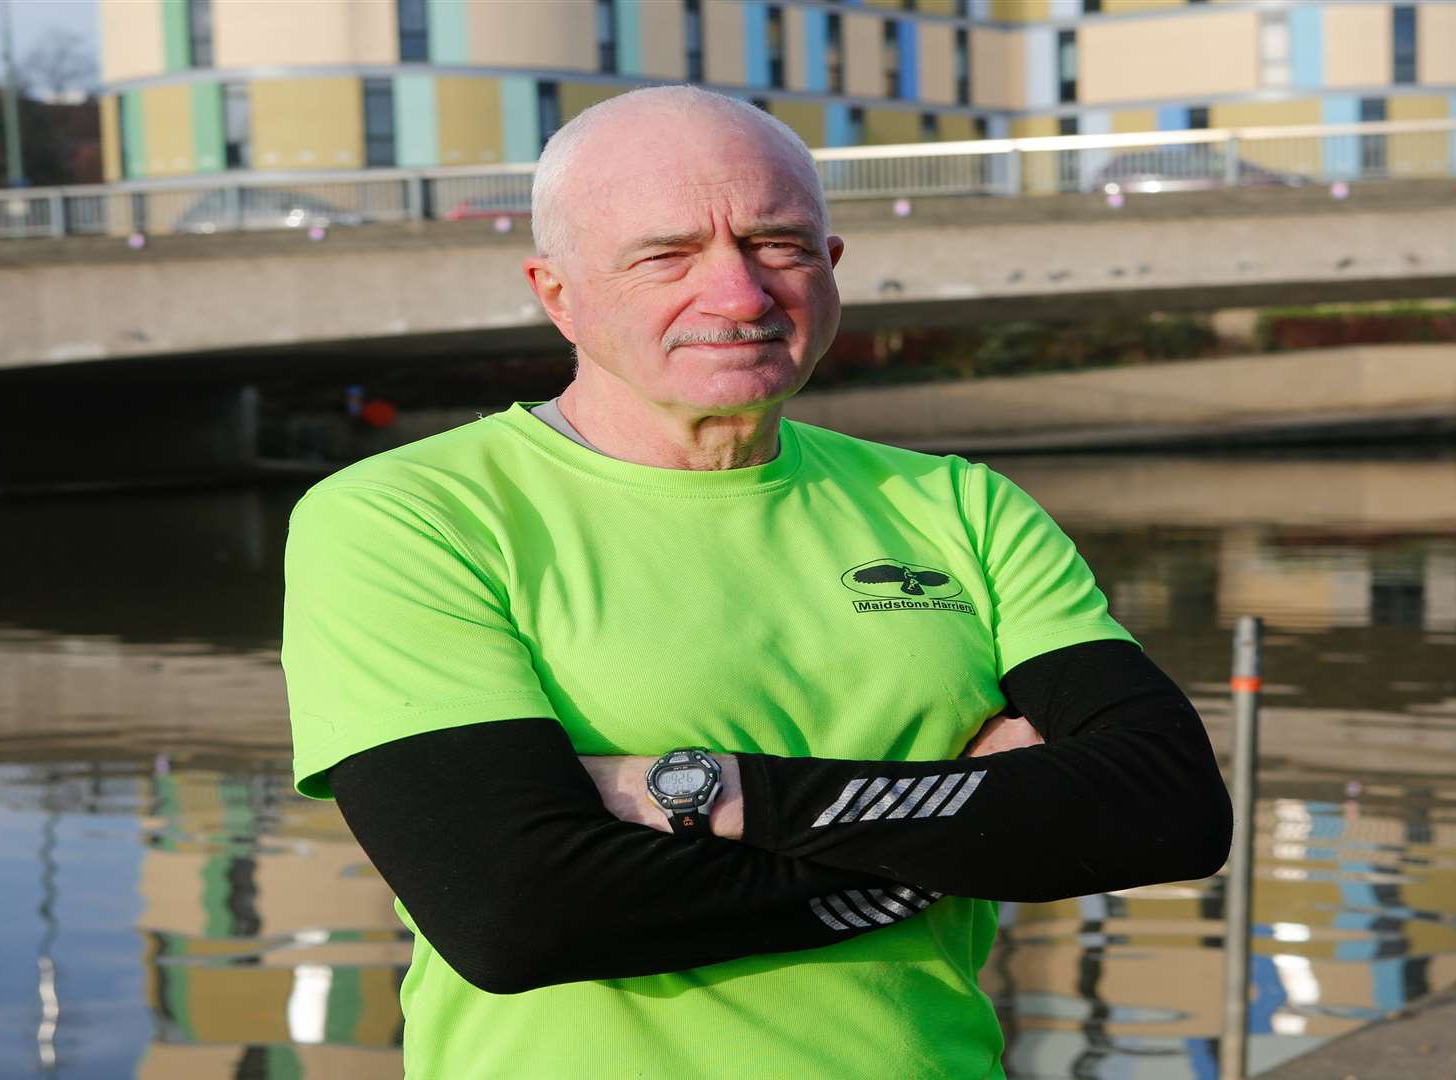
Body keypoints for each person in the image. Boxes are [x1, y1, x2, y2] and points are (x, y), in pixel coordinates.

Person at [281, 85, 1230, 1079]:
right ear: (556, 292)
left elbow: (1168, 808)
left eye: (779, 244)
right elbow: (516, 913)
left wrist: (711, 793)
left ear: (832, 267)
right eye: (667, 254)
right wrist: (956, 834)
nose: (738, 295)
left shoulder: (957, 506)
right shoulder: (409, 517)